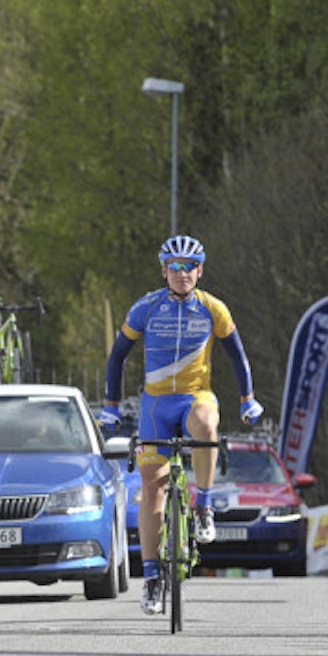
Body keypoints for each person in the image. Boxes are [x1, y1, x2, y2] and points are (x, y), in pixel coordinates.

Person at [101, 234, 263, 616]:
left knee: (206, 424)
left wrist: (248, 399)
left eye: (189, 266)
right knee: (152, 491)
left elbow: (237, 355)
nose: (182, 273)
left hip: (195, 396)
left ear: (200, 271)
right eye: (174, 266)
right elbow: (117, 356)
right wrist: (110, 405)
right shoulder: (146, 308)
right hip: (155, 403)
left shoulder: (213, 309)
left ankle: (204, 507)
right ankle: (154, 579)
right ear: (164, 271)